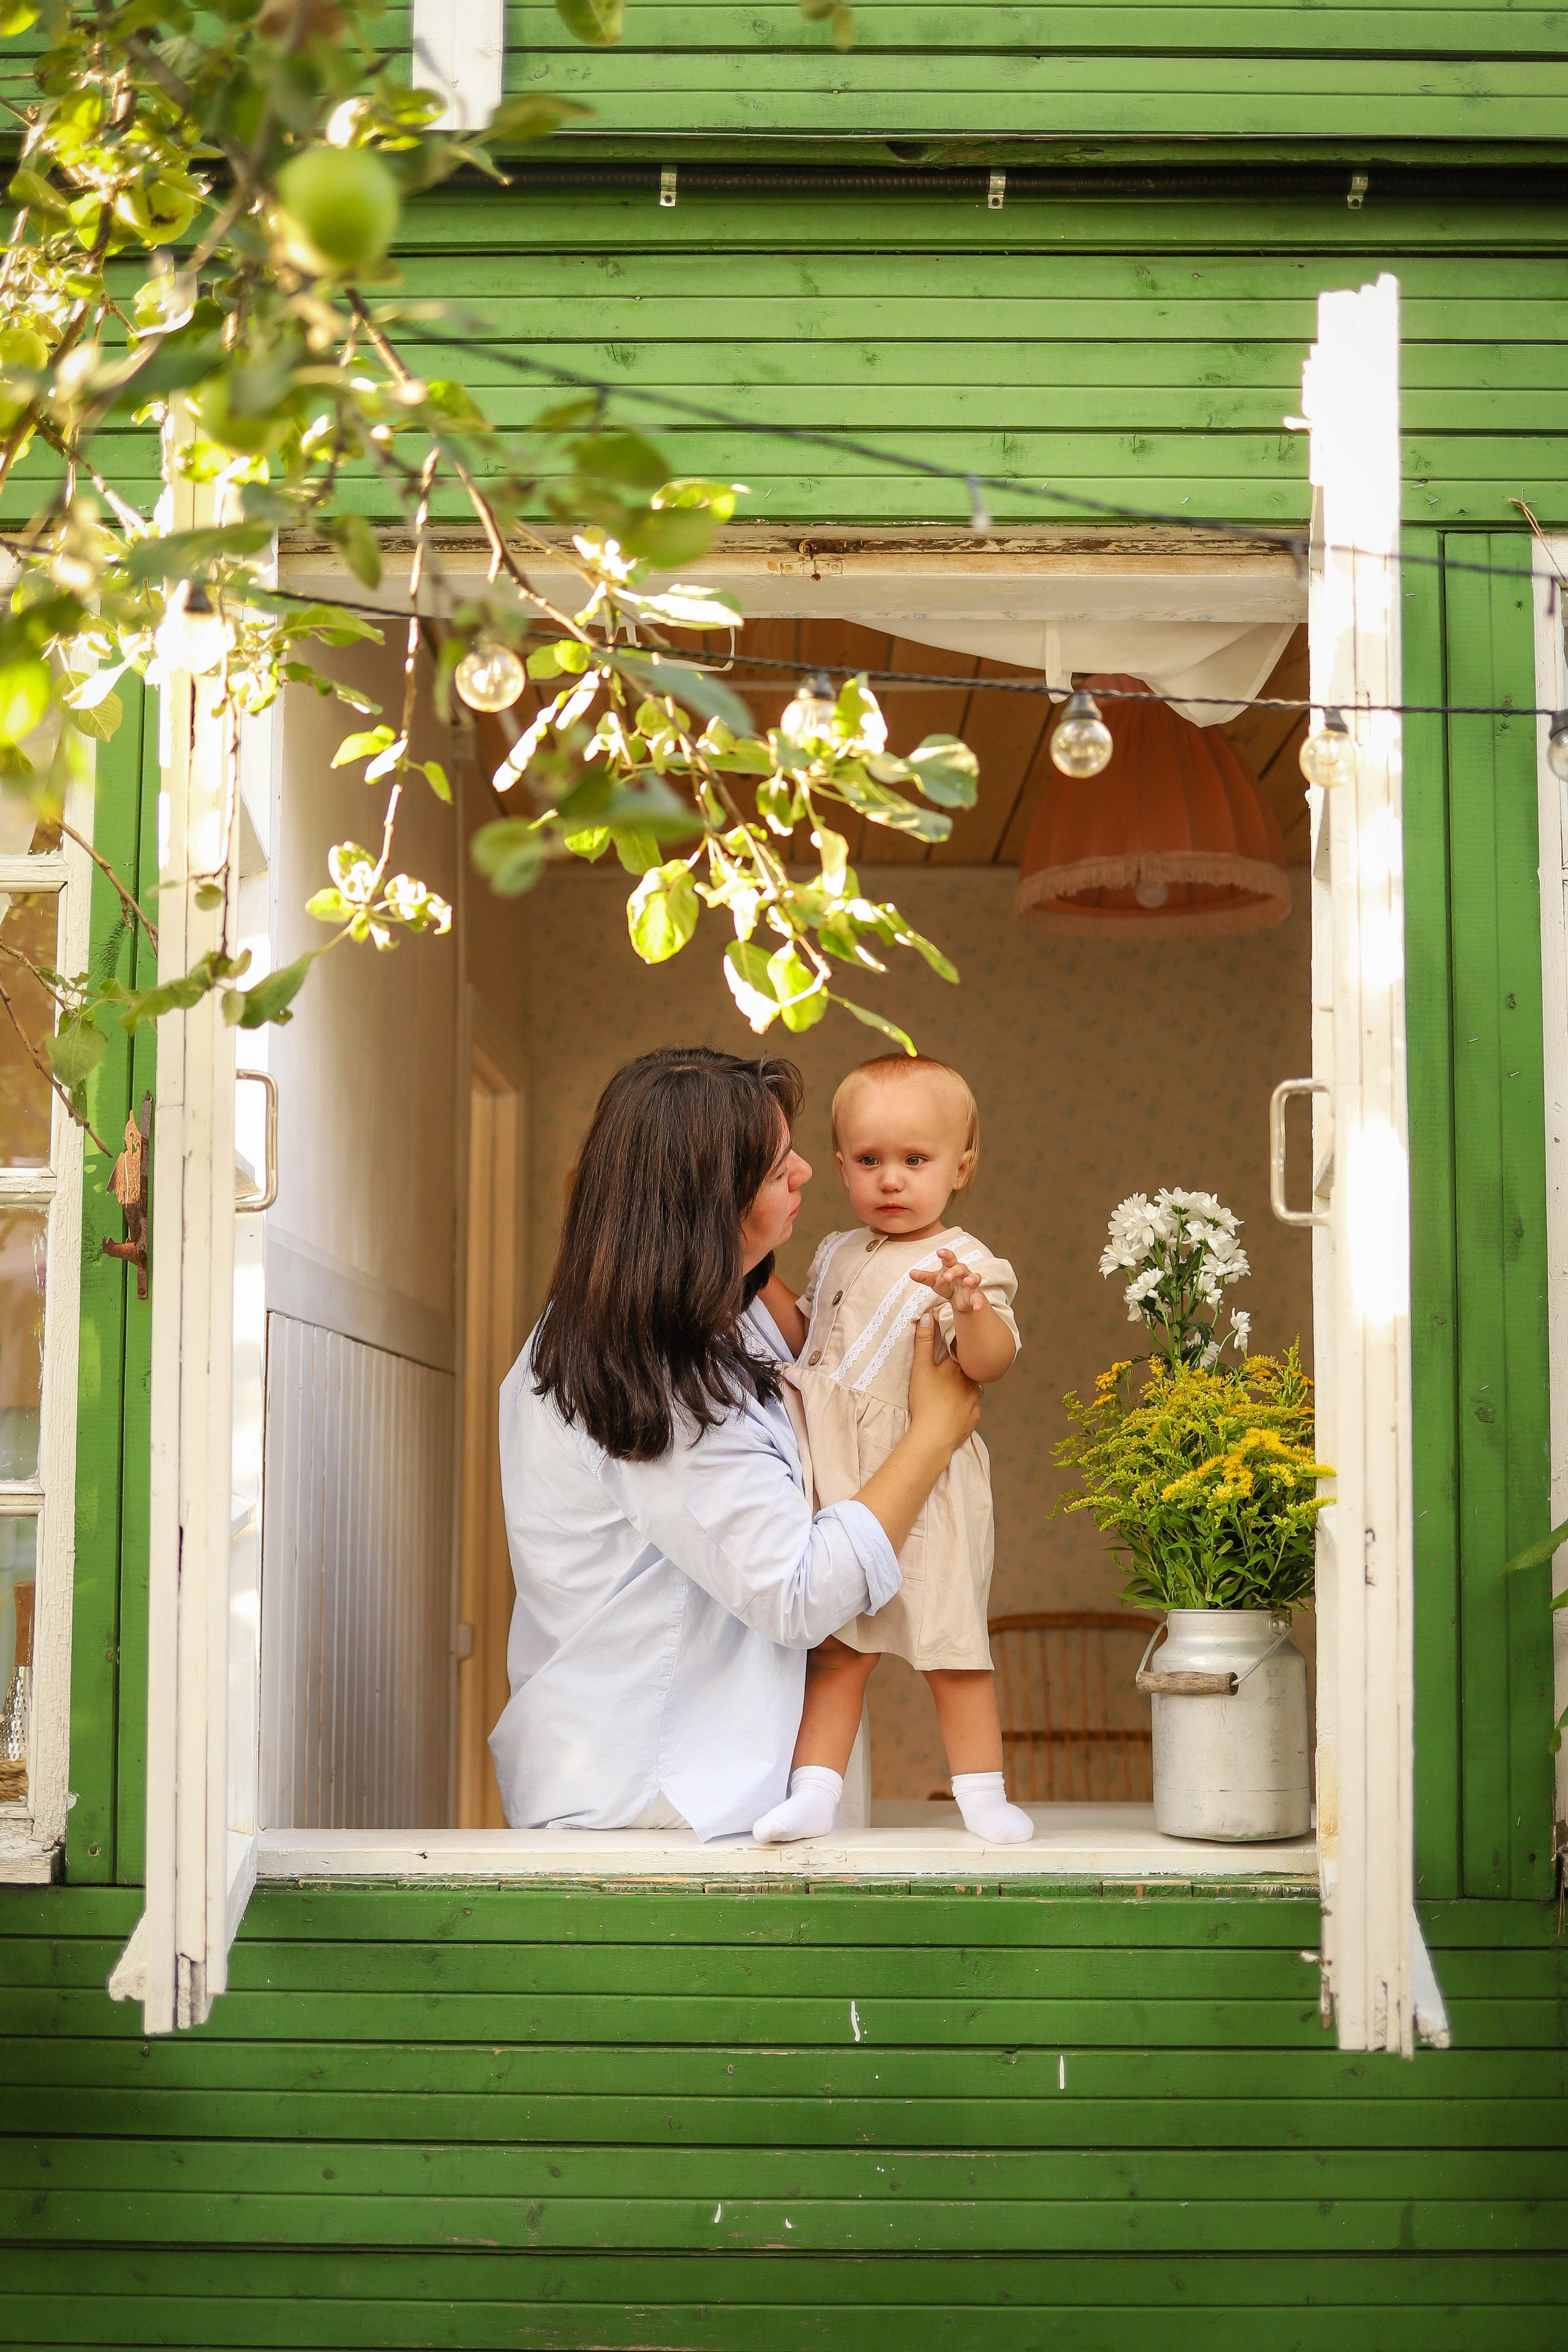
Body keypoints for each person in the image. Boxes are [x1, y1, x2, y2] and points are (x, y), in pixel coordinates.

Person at [488, 1045, 982, 1840]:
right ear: (706, 1201)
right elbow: (797, 1592)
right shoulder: (643, 1366)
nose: (805, 1174)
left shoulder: (727, 1307)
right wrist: (933, 1434)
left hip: (726, 1786)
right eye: (776, 1164)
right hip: (657, 1806)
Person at [755, 1053, 1034, 1846]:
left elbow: (989, 1364)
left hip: (930, 1487)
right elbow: (813, 1335)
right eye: (871, 1161)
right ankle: (816, 1793)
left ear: (961, 1167)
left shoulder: (967, 1264)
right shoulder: (839, 1250)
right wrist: (753, 1279)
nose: (891, 1180)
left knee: (951, 1648)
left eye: (916, 1161)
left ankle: (981, 1795)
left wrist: (969, 1309)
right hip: (843, 1476)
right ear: (841, 1165)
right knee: (840, 1652)